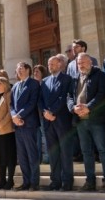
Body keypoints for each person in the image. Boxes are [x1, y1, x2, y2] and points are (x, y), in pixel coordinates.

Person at [67, 52, 105, 192]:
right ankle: (90, 181)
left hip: (97, 120)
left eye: (83, 62)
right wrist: (73, 108)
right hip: (80, 121)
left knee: (103, 150)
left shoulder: (100, 75)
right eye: (78, 63)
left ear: (90, 62)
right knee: (86, 152)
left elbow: (102, 94)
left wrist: (88, 107)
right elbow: (69, 96)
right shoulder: (75, 78)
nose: (80, 65)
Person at [40, 56, 74, 191]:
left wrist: (52, 112)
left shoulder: (67, 79)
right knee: (53, 153)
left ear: (60, 64)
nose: (50, 66)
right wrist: (45, 112)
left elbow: (64, 97)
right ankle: (55, 181)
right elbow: (40, 100)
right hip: (48, 122)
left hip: (61, 120)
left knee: (65, 152)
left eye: (53, 64)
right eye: (49, 64)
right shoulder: (44, 81)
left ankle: (67, 181)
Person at [11, 62, 41, 192]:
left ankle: (34, 182)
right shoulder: (15, 86)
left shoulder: (34, 84)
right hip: (17, 125)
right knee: (22, 156)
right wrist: (14, 116)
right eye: (18, 69)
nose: (19, 71)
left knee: (32, 154)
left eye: (21, 69)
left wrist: (19, 116)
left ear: (28, 70)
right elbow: (11, 105)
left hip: (29, 124)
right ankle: (26, 181)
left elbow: (32, 103)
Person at [0, 77, 17, 190]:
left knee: (9, 157)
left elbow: (10, 112)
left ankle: (10, 180)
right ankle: (2, 180)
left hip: (7, 131)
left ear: (5, 85)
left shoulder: (9, 95)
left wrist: (1, 124)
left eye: (0, 83)